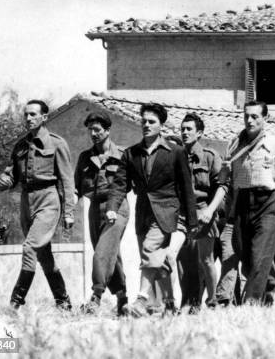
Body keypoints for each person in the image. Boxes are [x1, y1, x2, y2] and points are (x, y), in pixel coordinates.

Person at [106, 103, 196, 317]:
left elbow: (186, 188)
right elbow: (120, 184)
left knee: (149, 250)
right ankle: (171, 303)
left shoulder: (176, 152)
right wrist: (112, 207)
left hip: (167, 213)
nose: (146, 125)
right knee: (159, 261)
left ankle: (141, 300)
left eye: (151, 122)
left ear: (161, 125)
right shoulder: (131, 154)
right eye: (143, 121)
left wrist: (192, 221)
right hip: (143, 214)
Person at [0, 100, 74, 310]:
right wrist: (5, 179)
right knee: (43, 254)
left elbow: (67, 180)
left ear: (44, 117)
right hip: (26, 201)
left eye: (33, 114)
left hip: (48, 200)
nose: (28, 118)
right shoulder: (20, 145)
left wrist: (69, 212)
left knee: (30, 247)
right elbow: (11, 174)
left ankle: (15, 302)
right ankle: (63, 301)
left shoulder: (57, 143)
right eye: (26, 115)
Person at [221, 100, 275, 304]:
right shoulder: (234, 144)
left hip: (267, 204)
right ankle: (271, 286)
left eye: (255, 116)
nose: (249, 120)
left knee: (260, 254)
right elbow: (225, 178)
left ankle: (251, 303)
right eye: (246, 116)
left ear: (265, 118)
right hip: (242, 203)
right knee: (245, 256)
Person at [75, 111, 129, 315]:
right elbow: (77, 187)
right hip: (94, 209)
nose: (93, 134)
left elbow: (130, 184)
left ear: (107, 130)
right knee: (111, 253)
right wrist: (69, 210)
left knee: (102, 252)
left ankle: (95, 298)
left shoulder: (123, 155)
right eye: (90, 130)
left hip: (118, 208)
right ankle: (122, 298)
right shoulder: (85, 157)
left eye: (97, 130)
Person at [179, 113, 226, 309]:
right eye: (182, 129)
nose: (184, 132)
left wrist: (210, 210)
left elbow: (223, 186)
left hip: (203, 211)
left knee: (205, 260)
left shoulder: (210, 156)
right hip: (182, 214)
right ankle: (189, 301)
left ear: (199, 133)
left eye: (189, 129)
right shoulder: (176, 155)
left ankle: (212, 299)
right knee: (182, 260)